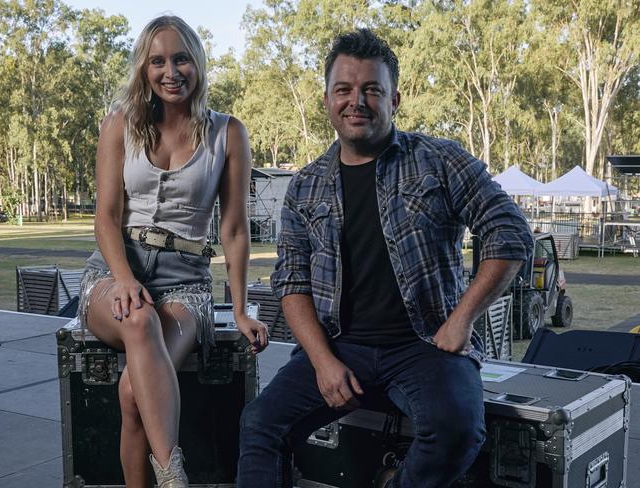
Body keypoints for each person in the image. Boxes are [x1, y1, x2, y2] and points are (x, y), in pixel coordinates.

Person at [237, 29, 533, 487]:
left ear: (394, 99)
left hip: (425, 345)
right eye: (345, 90)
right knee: (259, 425)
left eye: (371, 89)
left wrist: (462, 320)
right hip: (339, 344)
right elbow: (291, 281)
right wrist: (322, 361)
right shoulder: (306, 186)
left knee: (456, 431)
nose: (357, 101)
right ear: (327, 100)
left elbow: (510, 233)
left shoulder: (440, 160)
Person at [77, 15, 268, 488]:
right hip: (115, 271)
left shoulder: (228, 133)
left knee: (131, 393)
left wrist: (240, 308)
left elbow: (235, 227)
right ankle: (173, 479)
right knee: (139, 318)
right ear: (144, 69)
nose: (171, 71)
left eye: (181, 58)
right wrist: (124, 279)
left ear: (197, 63)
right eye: (157, 61)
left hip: (187, 283)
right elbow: (105, 218)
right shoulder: (119, 125)